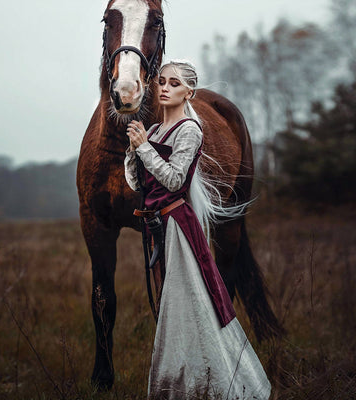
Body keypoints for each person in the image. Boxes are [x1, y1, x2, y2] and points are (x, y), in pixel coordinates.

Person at [124, 60, 271, 400]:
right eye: (161, 81)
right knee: (171, 309)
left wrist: (144, 148)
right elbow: (138, 182)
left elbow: (175, 180)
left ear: (188, 92)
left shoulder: (190, 129)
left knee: (189, 305)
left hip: (177, 224)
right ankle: (179, 382)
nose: (164, 88)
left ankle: (215, 384)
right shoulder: (157, 130)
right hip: (155, 223)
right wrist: (135, 149)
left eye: (173, 83)